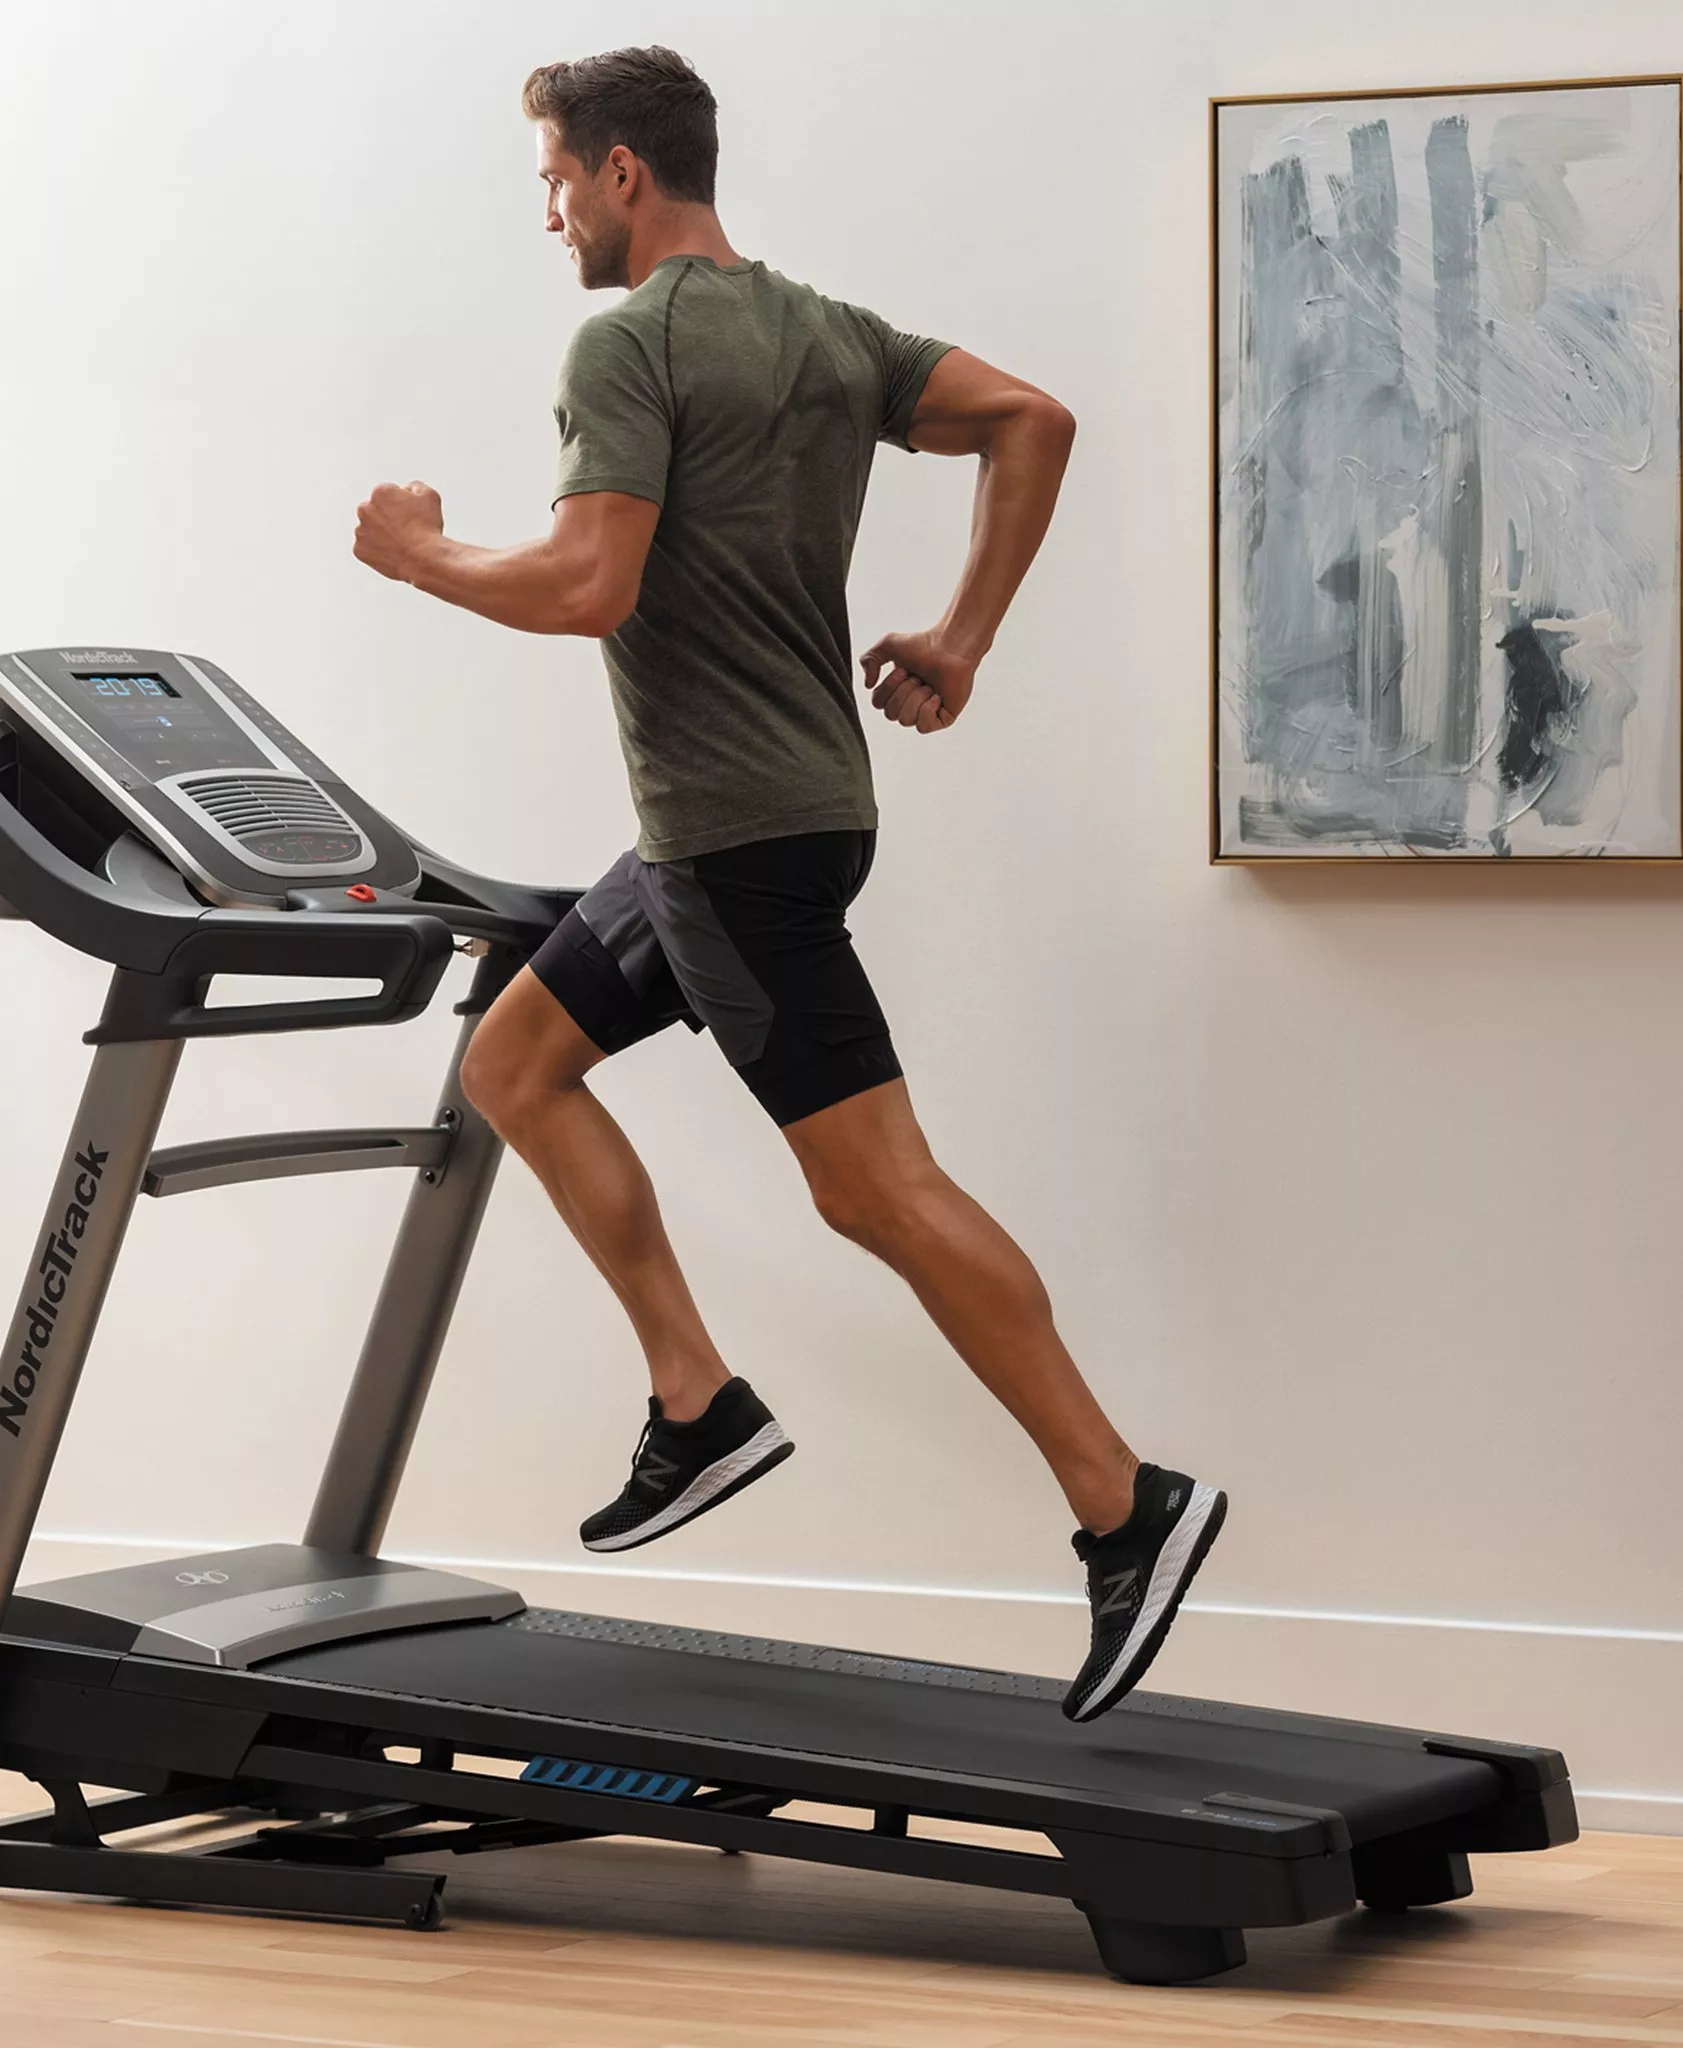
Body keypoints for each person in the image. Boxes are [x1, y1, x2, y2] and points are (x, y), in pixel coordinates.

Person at [351, 45, 1223, 1721]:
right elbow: (1031, 421)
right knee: (514, 1062)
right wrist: (961, 641)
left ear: (620, 171)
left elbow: (589, 585)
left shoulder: (626, 341)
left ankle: (1126, 1501)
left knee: (875, 1188)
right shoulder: (825, 332)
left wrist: (420, 555)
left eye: (553, 182)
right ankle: (699, 1401)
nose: (548, 216)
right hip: (770, 818)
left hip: (733, 845)